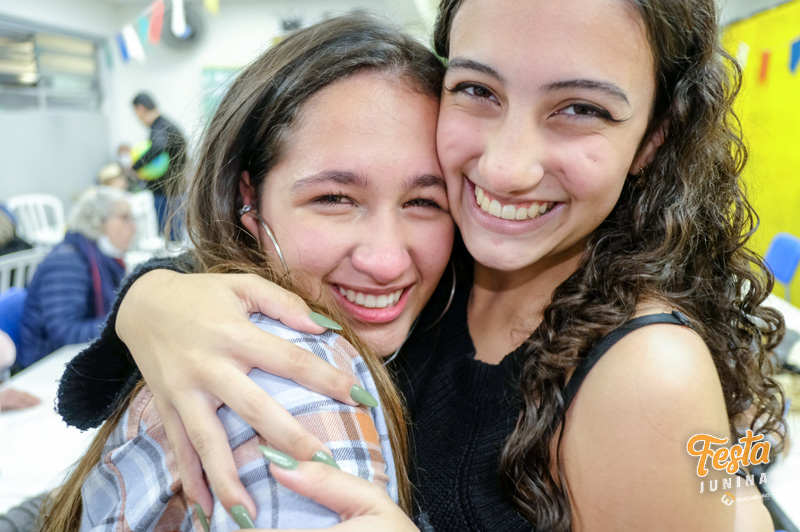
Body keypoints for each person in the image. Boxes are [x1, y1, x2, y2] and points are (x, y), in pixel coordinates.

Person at [57, 0, 785, 529]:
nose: (504, 168)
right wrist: (152, 300)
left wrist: (736, 488)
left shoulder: (648, 371)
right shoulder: (444, 258)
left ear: (654, 137)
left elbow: (723, 482)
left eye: (581, 109)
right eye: (478, 90)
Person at [46, 14, 452, 531]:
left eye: (424, 201)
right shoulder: (291, 381)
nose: (388, 260)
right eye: (334, 198)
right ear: (249, 199)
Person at [16, 187, 134, 369]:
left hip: (73, 357)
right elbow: (66, 332)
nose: (134, 227)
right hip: (45, 364)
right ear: (97, 222)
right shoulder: (67, 262)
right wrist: (127, 323)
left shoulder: (105, 259)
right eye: (125, 218)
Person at [130, 92, 188, 238]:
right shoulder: (167, 125)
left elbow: (158, 147)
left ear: (140, 109)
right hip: (174, 190)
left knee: (170, 237)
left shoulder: (159, 126)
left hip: (166, 193)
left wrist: (136, 166)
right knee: (174, 235)